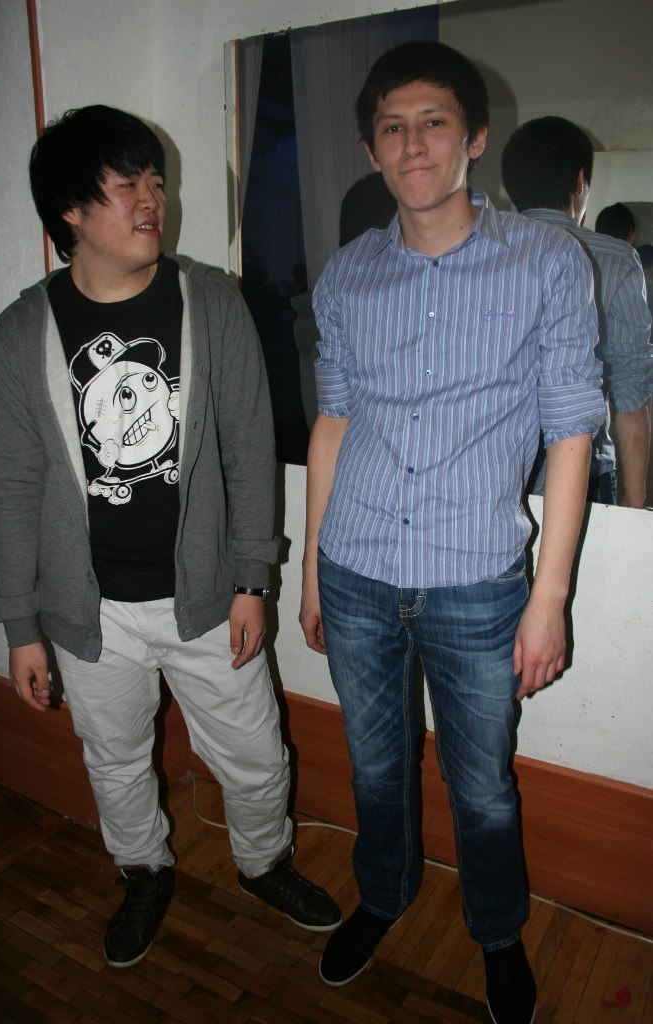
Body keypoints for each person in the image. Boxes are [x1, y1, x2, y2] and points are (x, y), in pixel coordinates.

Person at [0, 104, 340, 971]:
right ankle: (143, 870)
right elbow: (14, 489)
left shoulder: (209, 301)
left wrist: (252, 580)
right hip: (90, 611)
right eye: (125, 183)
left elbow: (250, 449)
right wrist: (21, 626)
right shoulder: (21, 333)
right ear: (70, 209)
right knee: (115, 760)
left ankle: (264, 863)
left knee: (254, 754)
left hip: (209, 597)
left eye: (157, 180)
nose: (152, 199)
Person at [299, 41, 604, 1024]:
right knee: (376, 768)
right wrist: (311, 572)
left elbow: (571, 430)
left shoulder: (546, 260)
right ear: (370, 148)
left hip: (478, 582)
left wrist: (549, 599)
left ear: (473, 137)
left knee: (482, 788)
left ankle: (497, 934)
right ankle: (384, 895)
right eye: (391, 127)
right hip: (355, 571)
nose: (412, 143)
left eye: (433, 121)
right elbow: (333, 422)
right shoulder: (347, 275)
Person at [502, 118, 653, 508]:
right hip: (583, 477)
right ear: (581, 181)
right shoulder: (616, 259)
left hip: (491, 479)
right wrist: (634, 504)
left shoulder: (481, 254)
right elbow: (629, 394)